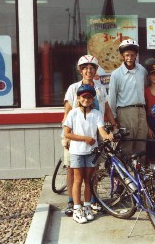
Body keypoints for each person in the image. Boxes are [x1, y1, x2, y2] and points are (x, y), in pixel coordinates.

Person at [62, 55, 117, 217]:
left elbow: (106, 108)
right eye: (85, 68)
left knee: (93, 169)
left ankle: (91, 200)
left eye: (92, 67)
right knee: (73, 169)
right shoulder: (73, 88)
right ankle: (72, 202)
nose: (89, 70)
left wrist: (114, 125)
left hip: (96, 132)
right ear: (80, 70)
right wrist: (66, 137)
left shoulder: (100, 87)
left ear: (96, 70)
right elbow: (67, 112)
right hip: (76, 134)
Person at [108, 39, 148, 156]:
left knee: (141, 143)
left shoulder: (142, 70)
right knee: (127, 143)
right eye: (126, 55)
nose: (129, 58)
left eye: (132, 55)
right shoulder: (116, 74)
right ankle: (125, 173)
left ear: (136, 55)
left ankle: (139, 173)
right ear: (122, 56)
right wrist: (114, 118)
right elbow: (112, 97)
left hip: (141, 110)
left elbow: (146, 89)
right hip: (125, 111)